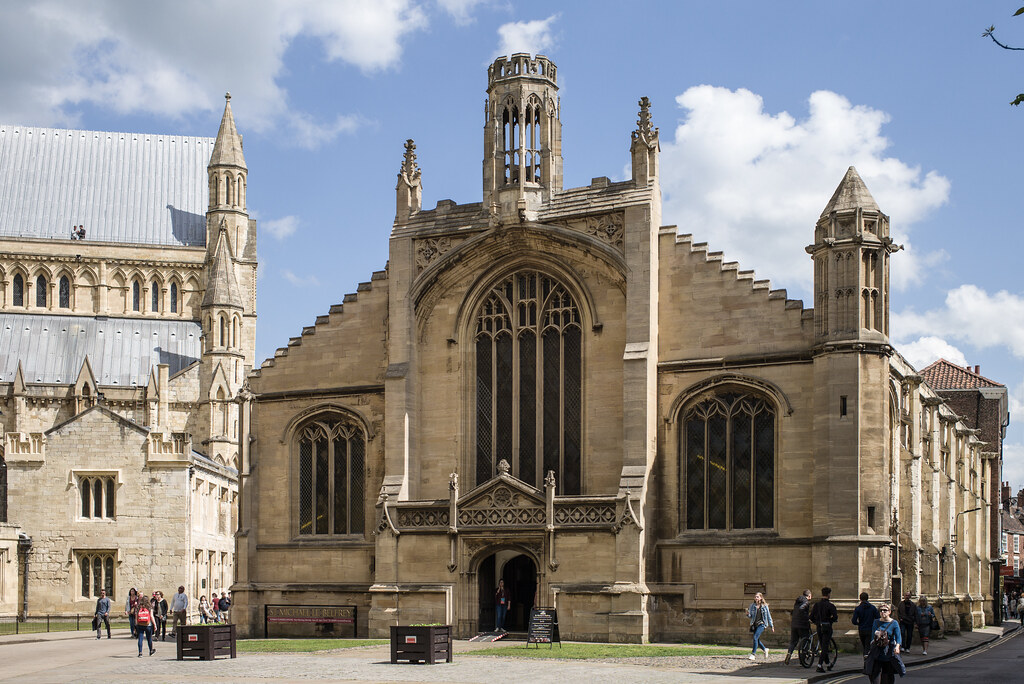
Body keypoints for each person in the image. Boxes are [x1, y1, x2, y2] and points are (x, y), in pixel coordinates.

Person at [865, 603, 902, 684]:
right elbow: (872, 637)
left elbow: (898, 637)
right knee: (875, 676)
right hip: (877, 652)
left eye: (885, 610)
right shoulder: (876, 622)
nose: (882, 612)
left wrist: (897, 647)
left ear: (889, 612)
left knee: (888, 676)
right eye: (881, 610)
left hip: (888, 652)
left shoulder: (894, 623)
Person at [808, 586, 838, 672]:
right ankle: (819, 665)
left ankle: (828, 664)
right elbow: (835, 617)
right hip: (827, 627)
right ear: (828, 595)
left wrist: (816, 622)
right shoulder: (831, 606)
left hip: (819, 627)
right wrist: (831, 621)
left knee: (823, 645)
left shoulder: (817, 605)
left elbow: (811, 617)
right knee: (825, 647)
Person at [746, 591, 774, 661]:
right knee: (757, 639)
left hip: (762, 624)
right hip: (754, 624)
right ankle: (765, 649)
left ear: (761, 598)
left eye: (757, 597)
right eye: (755, 597)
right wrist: (747, 614)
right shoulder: (752, 605)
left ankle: (753, 654)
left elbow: (768, 616)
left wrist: (771, 625)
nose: (756, 598)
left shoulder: (765, 606)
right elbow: (750, 616)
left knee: (755, 637)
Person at [852, 592, 880, 657]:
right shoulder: (873, 608)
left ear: (860, 599)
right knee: (868, 645)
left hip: (861, 629)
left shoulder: (858, 608)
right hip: (870, 629)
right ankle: (867, 659)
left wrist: (859, 623)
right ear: (867, 598)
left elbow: (853, 621)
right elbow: (878, 618)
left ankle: (866, 659)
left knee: (865, 646)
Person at [133, 592, 155, 657]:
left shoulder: (138, 607)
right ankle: (151, 650)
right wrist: (155, 624)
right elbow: (151, 616)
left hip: (140, 624)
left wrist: (136, 624)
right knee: (149, 638)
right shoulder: (149, 607)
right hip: (148, 624)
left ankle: (140, 652)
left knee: (140, 638)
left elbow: (136, 616)